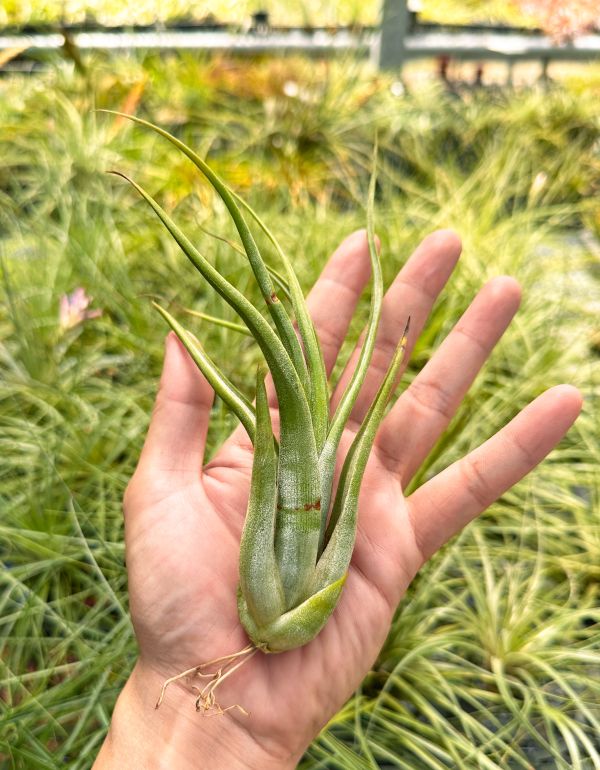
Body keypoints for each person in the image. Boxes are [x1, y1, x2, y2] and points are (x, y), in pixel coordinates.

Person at [93, 230, 582, 769]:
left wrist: (177, 721)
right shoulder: (263, 618)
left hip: (270, 628)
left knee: (335, 408)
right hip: (272, 627)